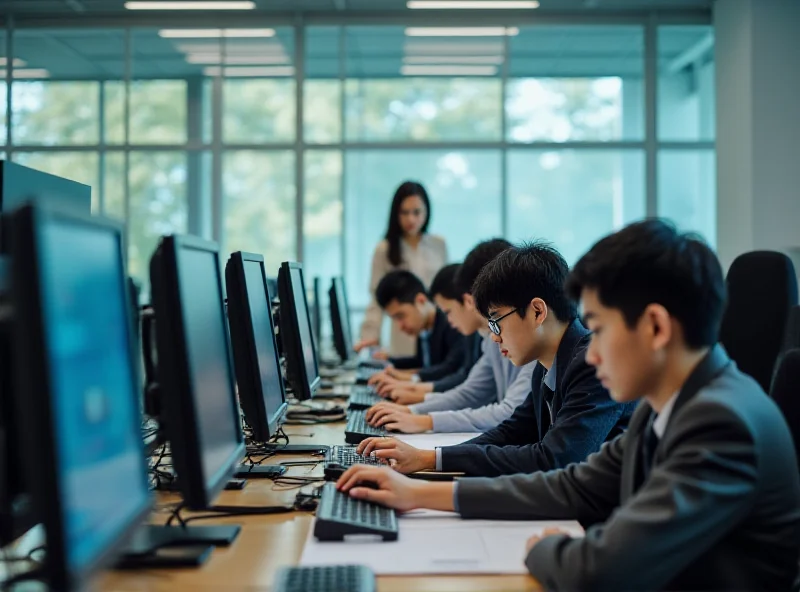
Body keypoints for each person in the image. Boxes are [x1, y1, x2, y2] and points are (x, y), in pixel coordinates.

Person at [338, 220, 800, 591]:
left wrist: (548, 548)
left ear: (656, 327)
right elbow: (574, 485)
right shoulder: (668, 407)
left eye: (598, 328)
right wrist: (416, 492)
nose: (591, 352)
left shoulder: (720, 423)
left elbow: (599, 570)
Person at [363, 240, 633, 463]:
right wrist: (431, 457)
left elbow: (551, 459)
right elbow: (512, 431)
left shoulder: (588, 364)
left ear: (537, 311)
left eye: (496, 320)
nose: (493, 336)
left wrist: (429, 461)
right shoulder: (546, 366)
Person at [364, 239, 536, 435]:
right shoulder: (491, 338)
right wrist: (413, 411)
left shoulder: (534, 345)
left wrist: (424, 422)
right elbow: (471, 392)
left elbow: (507, 413)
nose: (448, 320)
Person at [355, 181, 447, 357]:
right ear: (395, 214)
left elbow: (446, 291)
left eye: (417, 212)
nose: (411, 219)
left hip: (435, 331)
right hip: (403, 330)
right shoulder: (385, 249)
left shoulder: (439, 244)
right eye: (404, 212)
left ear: (427, 212)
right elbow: (377, 298)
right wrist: (369, 336)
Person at [371, 264, 483, 398]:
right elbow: (421, 361)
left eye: (400, 316)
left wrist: (411, 381)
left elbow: (451, 369)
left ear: (420, 301)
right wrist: (390, 361)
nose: (400, 326)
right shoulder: (424, 328)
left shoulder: (454, 324)